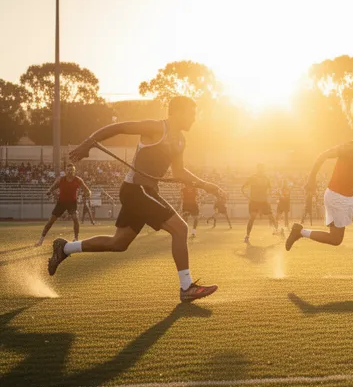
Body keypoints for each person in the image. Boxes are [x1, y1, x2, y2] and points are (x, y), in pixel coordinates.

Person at [46, 96, 223, 302]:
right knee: (181, 229)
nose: (194, 118)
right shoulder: (156, 127)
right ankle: (186, 287)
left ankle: (65, 248)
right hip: (137, 190)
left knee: (118, 243)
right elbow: (119, 127)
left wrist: (207, 185)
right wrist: (88, 144)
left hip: (142, 192)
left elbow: (180, 172)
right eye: (191, 113)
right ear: (177, 112)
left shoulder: (180, 141)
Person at [284, 119, 353, 280]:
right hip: (335, 196)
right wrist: (311, 179)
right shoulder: (350, 147)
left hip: (351, 197)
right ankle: (300, 232)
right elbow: (322, 156)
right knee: (336, 239)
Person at [37, 163, 89, 245]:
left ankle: (76, 238)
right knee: (51, 221)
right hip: (61, 202)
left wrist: (87, 194)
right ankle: (41, 240)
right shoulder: (61, 179)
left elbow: (87, 190)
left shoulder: (78, 180)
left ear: (74, 171)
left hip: (72, 203)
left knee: (75, 218)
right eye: (68, 170)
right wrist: (49, 191)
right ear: (65, 171)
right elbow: (53, 186)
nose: (69, 171)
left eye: (71, 170)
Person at [242, 164, 278, 244]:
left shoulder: (266, 178)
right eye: (260, 168)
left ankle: (277, 231)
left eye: (262, 169)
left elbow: (270, 188)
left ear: (263, 169)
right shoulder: (252, 178)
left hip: (263, 201)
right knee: (252, 217)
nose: (261, 170)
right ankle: (247, 236)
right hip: (254, 201)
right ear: (257, 169)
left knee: (271, 216)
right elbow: (243, 187)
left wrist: (268, 195)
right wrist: (249, 197)